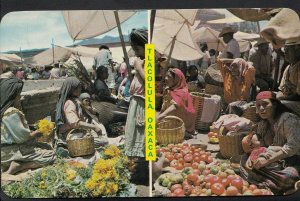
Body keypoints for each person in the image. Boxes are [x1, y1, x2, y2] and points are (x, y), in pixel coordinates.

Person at [240, 91, 300, 194]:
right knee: (244, 159)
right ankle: (265, 182)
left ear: (275, 105)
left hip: (293, 159)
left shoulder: (288, 119)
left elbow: (293, 147)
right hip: (273, 160)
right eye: (258, 106)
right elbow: (259, 144)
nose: (262, 108)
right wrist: (250, 144)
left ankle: (259, 180)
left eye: (265, 104)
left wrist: (268, 160)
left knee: (288, 177)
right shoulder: (263, 124)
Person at [1, 78, 56, 174]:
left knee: (45, 146)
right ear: (11, 96)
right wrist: (38, 132)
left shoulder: (4, 110)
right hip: (12, 151)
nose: (20, 97)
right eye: (18, 95)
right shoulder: (11, 113)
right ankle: (19, 166)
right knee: (51, 156)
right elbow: (23, 138)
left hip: (6, 150)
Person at [55, 77, 107, 147]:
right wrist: (94, 127)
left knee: (100, 131)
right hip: (71, 135)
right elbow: (74, 123)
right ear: (72, 89)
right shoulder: (70, 103)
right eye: (79, 87)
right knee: (103, 141)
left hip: (77, 131)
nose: (80, 89)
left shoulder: (75, 100)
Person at [157, 68, 196, 138]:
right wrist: (159, 117)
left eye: (169, 77)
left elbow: (175, 106)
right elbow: (164, 106)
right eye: (166, 76)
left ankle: (184, 131)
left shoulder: (182, 92)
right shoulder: (168, 89)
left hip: (183, 121)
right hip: (171, 118)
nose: (166, 78)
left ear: (176, 79)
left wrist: (160, 117)